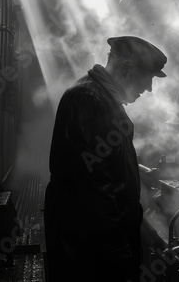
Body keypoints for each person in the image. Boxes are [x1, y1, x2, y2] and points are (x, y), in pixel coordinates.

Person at [44, 36, 167, 281]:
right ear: (126, 68)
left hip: (89, 237)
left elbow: (102, 163)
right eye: (148, 78)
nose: (150, 88)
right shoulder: (90, 100)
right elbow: (94, 188)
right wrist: (118, 250)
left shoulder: (101, 98)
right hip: (87, 244)